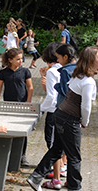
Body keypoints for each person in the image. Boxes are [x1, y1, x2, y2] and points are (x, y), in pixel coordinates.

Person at [27, 46, 98, 191]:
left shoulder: (77, 75)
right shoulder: (88, 81)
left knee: (57, 149)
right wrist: (85, 121)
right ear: (91, 60)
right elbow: (85, 106)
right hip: (70, 119)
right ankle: (74, 187)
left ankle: (35, 177)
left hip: (60, 115)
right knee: (74, 156)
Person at [37, 42, 66, 190]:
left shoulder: (52, 72)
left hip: (54, 112)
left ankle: (56, 178)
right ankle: (62, 169)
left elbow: (51, 96)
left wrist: (39, 110)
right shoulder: (66, 69)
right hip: (67, 112)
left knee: (52, 144)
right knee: (62, 143)